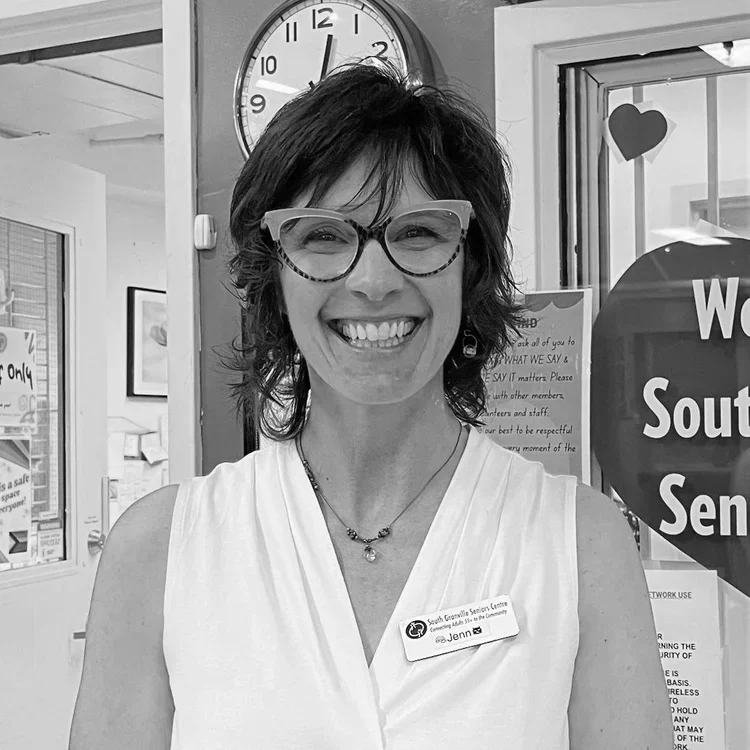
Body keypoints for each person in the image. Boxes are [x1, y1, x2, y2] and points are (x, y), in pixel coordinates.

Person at [69, 62, 672, 749]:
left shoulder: (580, 543)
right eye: (323, 236)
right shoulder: (160, 550)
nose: (375, 280)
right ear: (274, 277)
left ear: (471, 265)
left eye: (419, 232)